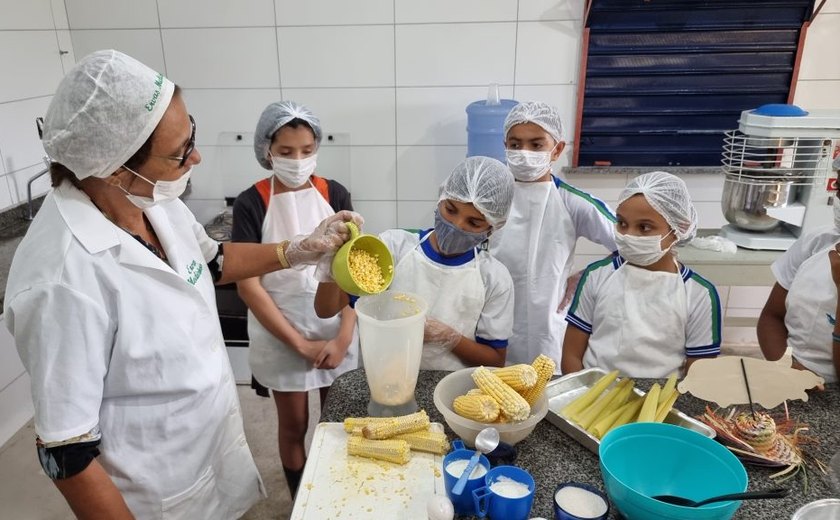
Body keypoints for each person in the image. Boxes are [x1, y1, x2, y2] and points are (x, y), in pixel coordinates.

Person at [3, 50, 361, 519]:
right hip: (156, 493)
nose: (196, 156)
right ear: (114, 167)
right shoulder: (61, 281)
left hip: (208, 453)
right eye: (178, 153)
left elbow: (213, 262)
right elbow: (66, 453)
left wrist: (296, 249)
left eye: (189, 133)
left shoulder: (152, 200)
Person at [231, 101, 358, 497]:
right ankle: (301, 499)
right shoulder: (252, 201)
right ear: (267, 151)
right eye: (286, 152)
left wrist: (342, 337)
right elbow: (247, 283)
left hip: (334, 327)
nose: (298, 160)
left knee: (337, 422)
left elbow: (353, 270)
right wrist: (299, 342)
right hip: (280, 333)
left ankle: (336, 495)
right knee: (294, 424)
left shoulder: (333, 192)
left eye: (306, 151)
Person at [315, 156, 515, 370]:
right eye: (450, 209)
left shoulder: (493, 278)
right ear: (441, 198)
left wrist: (448, 337)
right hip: (384, 380)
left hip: (452, 391)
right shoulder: (393, 249)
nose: (456, 225)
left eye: (474, 222)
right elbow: (325, 309)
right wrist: (333, 261)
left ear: (493, 227)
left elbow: (495, 360)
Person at [488, 101, 616, 372]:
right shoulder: (490, 196)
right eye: (515, 144)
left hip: (544, 327)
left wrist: (584, 277)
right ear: (505, 146)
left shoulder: (573, 202)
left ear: (557, 149)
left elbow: (628, 244)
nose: (524, 153)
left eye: (536, 145)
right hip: (491, 318)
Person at [561, 171, 721, 378]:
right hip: (593, 394)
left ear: (679, 228)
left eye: (644, 227)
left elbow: (698, 375)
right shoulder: (596, 275)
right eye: (622, 223)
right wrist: (584, 396)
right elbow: (572, 355)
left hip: (658, 401)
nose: (628, 236)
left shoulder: (699, 294)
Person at [757, 164, 840, 383]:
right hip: (788, 377)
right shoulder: (817, 242)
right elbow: (771, 317)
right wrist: (787, 368)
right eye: (839, 187)